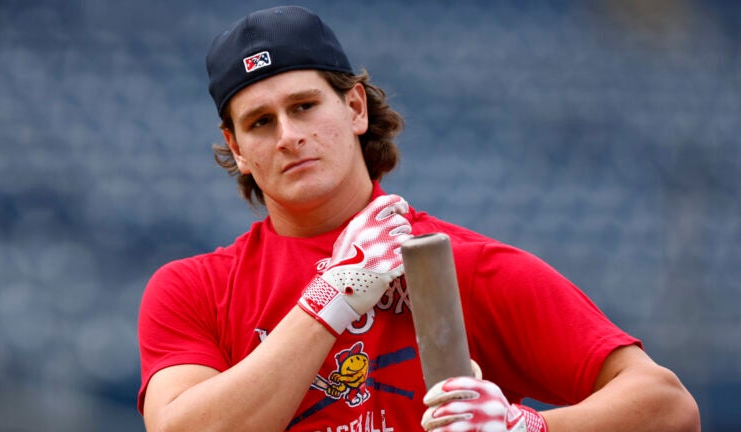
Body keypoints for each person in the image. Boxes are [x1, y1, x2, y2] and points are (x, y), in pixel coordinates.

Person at [137, 5, 700, 432]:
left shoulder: (462, 266)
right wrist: (333, 295)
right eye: (260, 122)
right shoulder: (194, 290)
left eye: (304, 106)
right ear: (237, 148)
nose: (288, 136)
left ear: (355, 108)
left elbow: (669, 407)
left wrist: (526, 427)